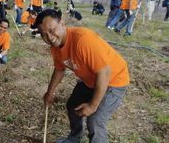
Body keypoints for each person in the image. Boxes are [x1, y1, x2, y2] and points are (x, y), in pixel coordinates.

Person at [34, 9, 129, 143]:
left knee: (95, 120)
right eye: (44, 34)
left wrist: (92, 105)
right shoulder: (55, 47)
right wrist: (50, 92)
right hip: (91, 79)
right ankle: (74, 138)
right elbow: (60, 69)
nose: (49, 37)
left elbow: (105, 72)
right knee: (73, 105)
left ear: (62, 22)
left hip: (113, 80)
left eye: (52, 30)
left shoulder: (82, 40)